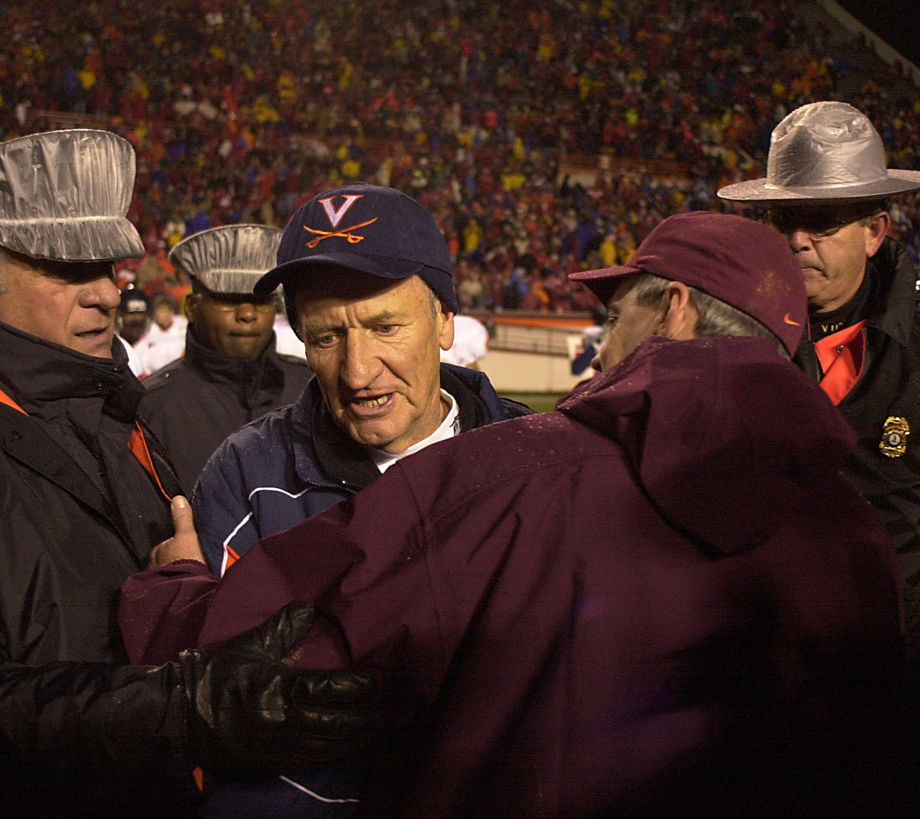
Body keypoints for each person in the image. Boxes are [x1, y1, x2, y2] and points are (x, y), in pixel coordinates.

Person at [121, 212, 905, 816]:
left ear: (674, 312)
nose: (600, 346)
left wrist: (173, 590)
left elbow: (272, 645)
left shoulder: (510, 471)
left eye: (618, 313)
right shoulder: (855, 530)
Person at [0, 129, 375, 815]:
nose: (106, 296)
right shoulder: (137, 404)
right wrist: (184, 705)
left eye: (110, 267)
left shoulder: (119, 412)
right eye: (64, 268)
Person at [191, 182, 531, 576]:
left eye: (385, 327)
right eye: (327, 337)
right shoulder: (245, 475)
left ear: (444, 322)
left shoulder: (539, 458)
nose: (357, 373)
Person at [718, 100, 920, 650]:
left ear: (875, 232)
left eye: (823, 222)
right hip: (757, 655)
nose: (798, 240)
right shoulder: (724, 332)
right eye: (785, 219)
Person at [139, 223, 311, 493]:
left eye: (261, 301)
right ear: (192, 308)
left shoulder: (314, 390)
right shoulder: (150, 407)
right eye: (229, 299)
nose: (247, 314)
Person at [134, 290, 187, 374]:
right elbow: (137, 353)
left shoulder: (183, 328)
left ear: (170, 312)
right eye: (157, 311)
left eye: (162, 311)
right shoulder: (149, 331)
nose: (158, 314)